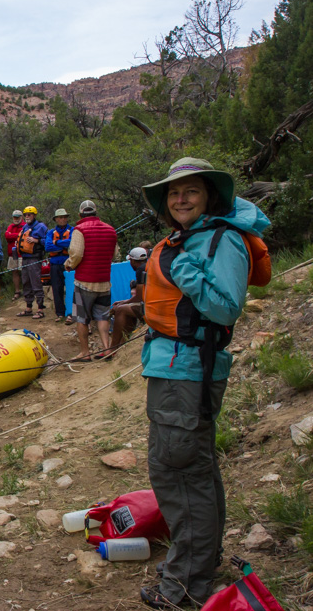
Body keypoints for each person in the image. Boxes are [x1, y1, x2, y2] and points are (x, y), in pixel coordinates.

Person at [137, 158, 269, 610]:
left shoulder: (222, 239)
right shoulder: (190, 239)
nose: (180, 199)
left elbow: (224, 307)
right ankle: (198, 564)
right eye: (174, 193)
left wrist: (179, 267)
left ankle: (185, 586)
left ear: (209, 195)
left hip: (188, 372)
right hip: (175, 368)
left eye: (190, 191)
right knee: (192, 469)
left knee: (178, 474)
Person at [65, 200, 117, 361]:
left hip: (84, 282)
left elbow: (77, 254)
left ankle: (85, 352)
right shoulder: (110, 230)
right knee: (103, 317)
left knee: (81, 318)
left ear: (80, 214)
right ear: (95, 213)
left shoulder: (79, 230)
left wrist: (68, 264)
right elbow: (115, 255)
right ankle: (106, 349)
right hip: (104, 282)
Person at [108, 247, 148, 350]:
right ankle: (124, 343)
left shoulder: (140, 269)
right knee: (127, 308)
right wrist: (125, 301)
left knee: (121, 310)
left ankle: (113, 348)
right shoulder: (149, 265)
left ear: (134, 261)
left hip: (149, 307)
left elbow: (139, 296)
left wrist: (122, 303)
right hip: (153, 303)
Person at [15, 206, 48, 318]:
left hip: (34, 258)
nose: (27, 217)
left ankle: (40, 309)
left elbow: (47, 241)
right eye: (25, 215)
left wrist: (36, 240)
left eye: (29, 214)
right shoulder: (25, 227)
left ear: (34, 215)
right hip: (25, 258)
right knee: (26, 282)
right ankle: (28, 308)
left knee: (36, 282)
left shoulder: (41, 227)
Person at [44, 208, 73, 324]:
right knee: (57, 289)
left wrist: (56, 243)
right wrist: (63, 245)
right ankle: (60, 313)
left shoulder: (73, 230)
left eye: (65, 217)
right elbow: (48, 247)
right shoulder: (51, 232)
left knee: (71, 288)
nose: (63, 219)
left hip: (69, 263)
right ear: (56, 219)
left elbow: (72, 243)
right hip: (55, 263)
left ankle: (71, 313)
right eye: (60, 217)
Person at [5, 209, 25, 299]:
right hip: (12, 254)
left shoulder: (25, 226)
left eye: (18, 217)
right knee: (14, 272)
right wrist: (17, 235)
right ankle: (17, 291)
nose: (16, 219)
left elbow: (23, 235)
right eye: (14, 217)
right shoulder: (11, 226)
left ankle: (27, 290)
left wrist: (14, 235)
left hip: (22, 253)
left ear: (21, 217)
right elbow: (7, 236)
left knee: (24, 272)